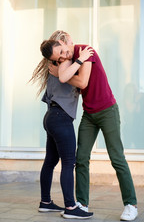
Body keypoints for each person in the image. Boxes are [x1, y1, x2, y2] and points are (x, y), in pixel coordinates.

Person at [41, 31, 138, 221]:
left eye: (62, 51)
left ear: (63, 41)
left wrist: (65, 72)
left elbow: (82, 82)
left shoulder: (85, 51)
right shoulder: (66, 59)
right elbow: (62, 76)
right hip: (89, 114)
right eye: (59, 57)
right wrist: (62, 69)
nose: (63, 56)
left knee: (117, 157)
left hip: (107, 110)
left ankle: (131, 204)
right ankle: (82, 204)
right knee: (81, 158)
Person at [29, 30, 93, 219]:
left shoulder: (56, 62)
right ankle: (71, 208)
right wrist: (81, 59)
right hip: (60, 118)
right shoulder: (64, 63)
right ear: (62, 41)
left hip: (51, 117)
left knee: (50, 161)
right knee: (68, 162)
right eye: (69, 43)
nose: (70, 49)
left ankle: (46, 202)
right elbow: (79, 82)